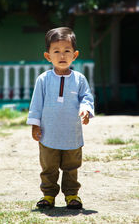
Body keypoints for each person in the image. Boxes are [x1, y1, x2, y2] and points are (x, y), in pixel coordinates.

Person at [27, 27, 94, 209]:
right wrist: (35, 125)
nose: (62, 55)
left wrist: (86, 110)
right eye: (56, 51)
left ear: (75, 55)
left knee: (71, 168)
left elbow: (86, 97)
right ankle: (48, 195)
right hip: (48, 134)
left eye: (67, 51)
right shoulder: (43, 79)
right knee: (49, 168)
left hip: (72, 134)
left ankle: (72, 195)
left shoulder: (79, 79)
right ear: (48, 56)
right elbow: (36, 104)